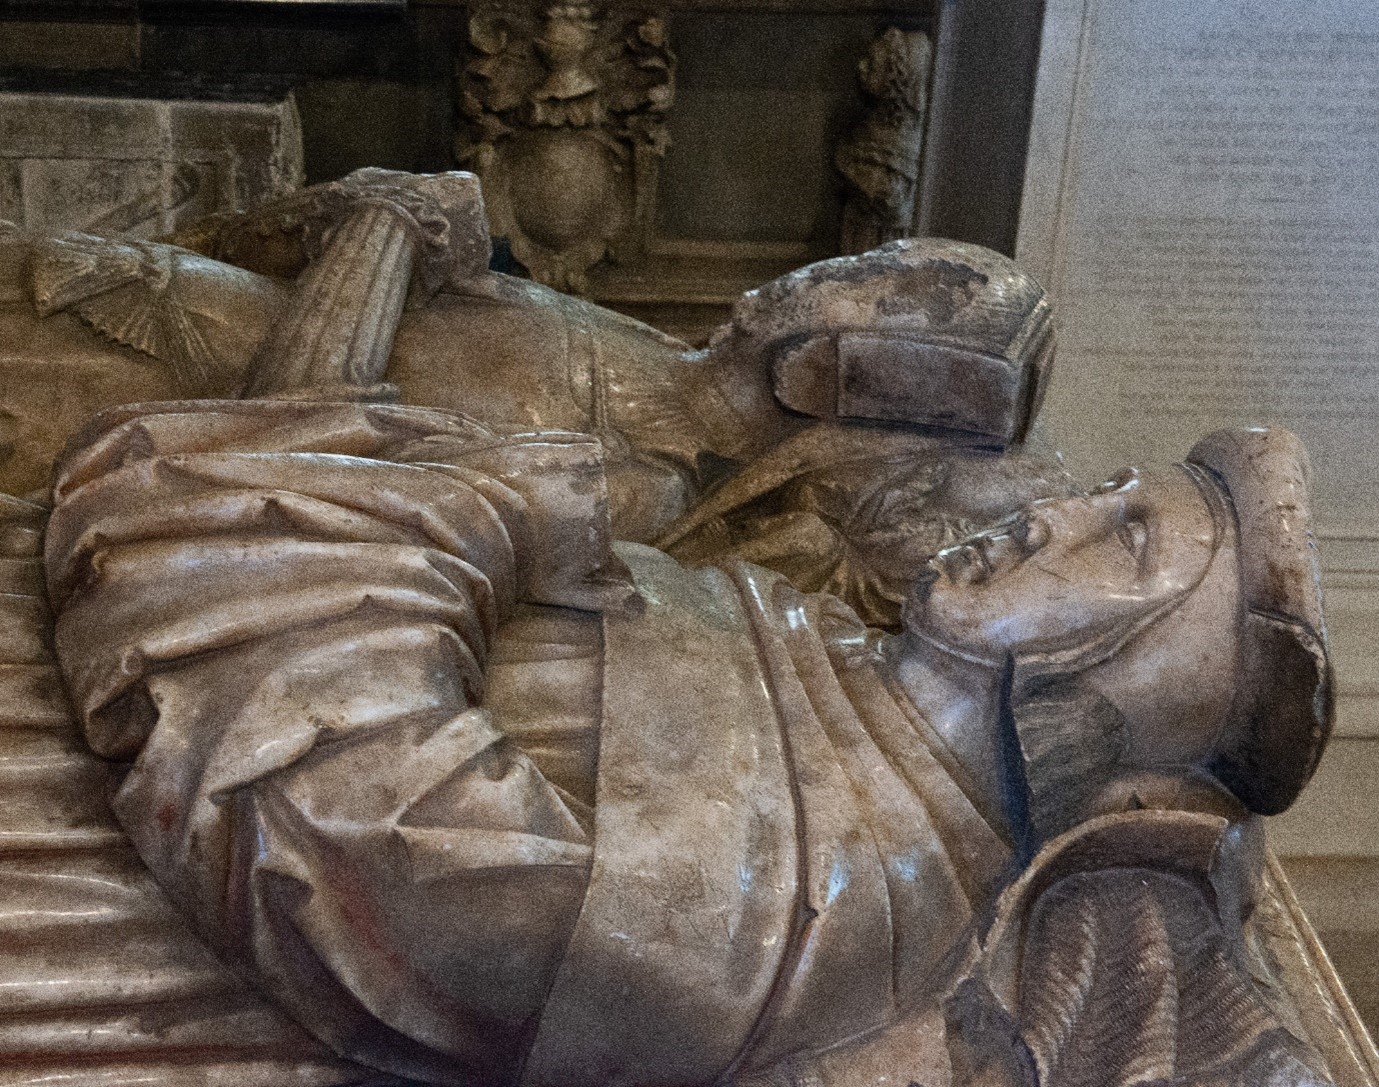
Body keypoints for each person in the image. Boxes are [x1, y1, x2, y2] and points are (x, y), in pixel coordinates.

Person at [42, 395, 1330, 1087]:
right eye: (1100, 492)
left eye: (1127, 546)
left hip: (74, 857)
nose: (1051, 518)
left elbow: (374, 849)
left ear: (1143, 693)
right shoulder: (810, 642)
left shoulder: (841, 886)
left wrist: (480, 510)